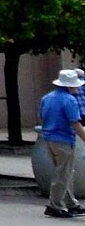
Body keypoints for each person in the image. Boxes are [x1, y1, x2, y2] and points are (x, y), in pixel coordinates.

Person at [39, 69, 85, 218]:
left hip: (48, 138)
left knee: (65, 173)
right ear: (69, 86)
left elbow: (41, 116)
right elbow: (75, 123)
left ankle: (71, 203)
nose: (77, 88)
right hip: (64, 139)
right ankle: (55, 205)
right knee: (63, 174)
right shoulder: (69, 100)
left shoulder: (47, 98)